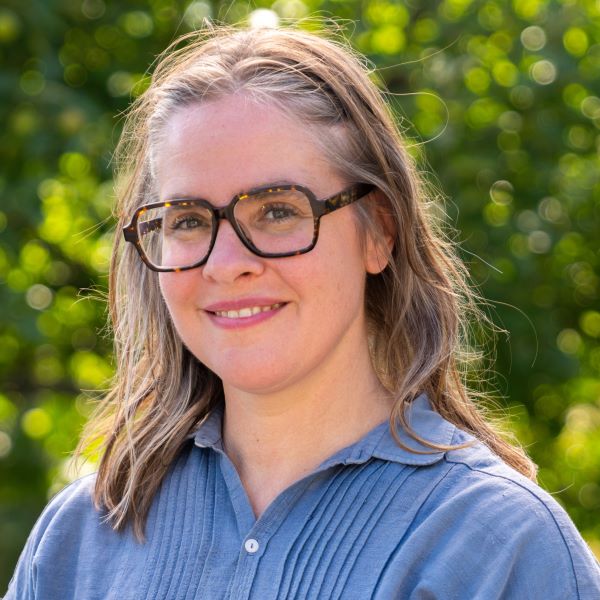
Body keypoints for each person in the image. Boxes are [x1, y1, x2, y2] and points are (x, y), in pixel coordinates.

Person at [5, 23, 600, 600]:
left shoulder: (498, 548)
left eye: (277, 210)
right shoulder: (80, 539)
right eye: (187, 220)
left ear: (379, 234)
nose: (226, 263)